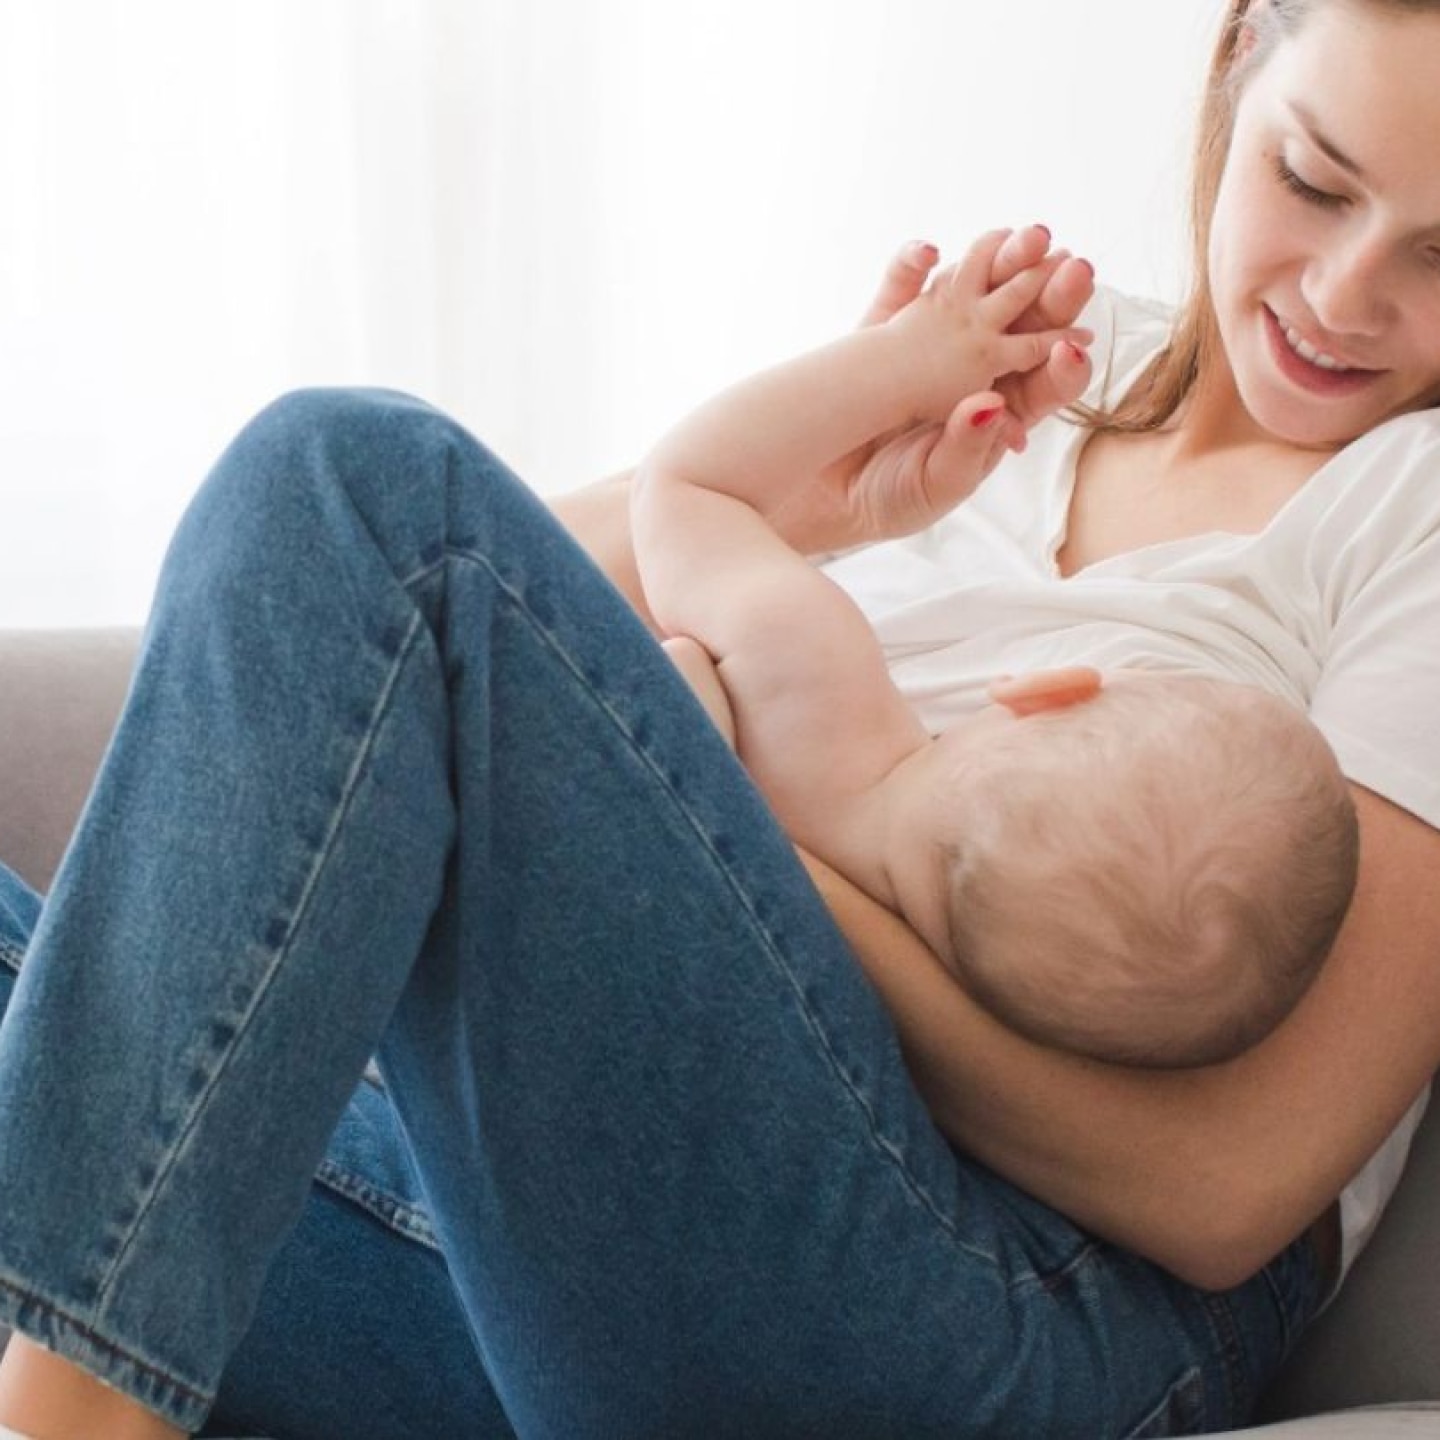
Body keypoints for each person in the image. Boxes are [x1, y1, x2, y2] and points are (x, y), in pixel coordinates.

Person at [1, 0, 1440, 1435]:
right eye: (1314, 182)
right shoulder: (1026, 353)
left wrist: (737, 829)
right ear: (1236, 58)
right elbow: (373, 617)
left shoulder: (1416, 511)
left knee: (340, 465)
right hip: (605, 1252)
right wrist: (808, 507)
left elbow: (1226, 1188)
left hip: (999, 1296)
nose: (1345, 294)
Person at [631, 225, 1359, 1069]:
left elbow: (685, 484)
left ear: (1044, 689)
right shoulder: (907, 1001)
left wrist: (899, 363)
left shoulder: (815, 678)